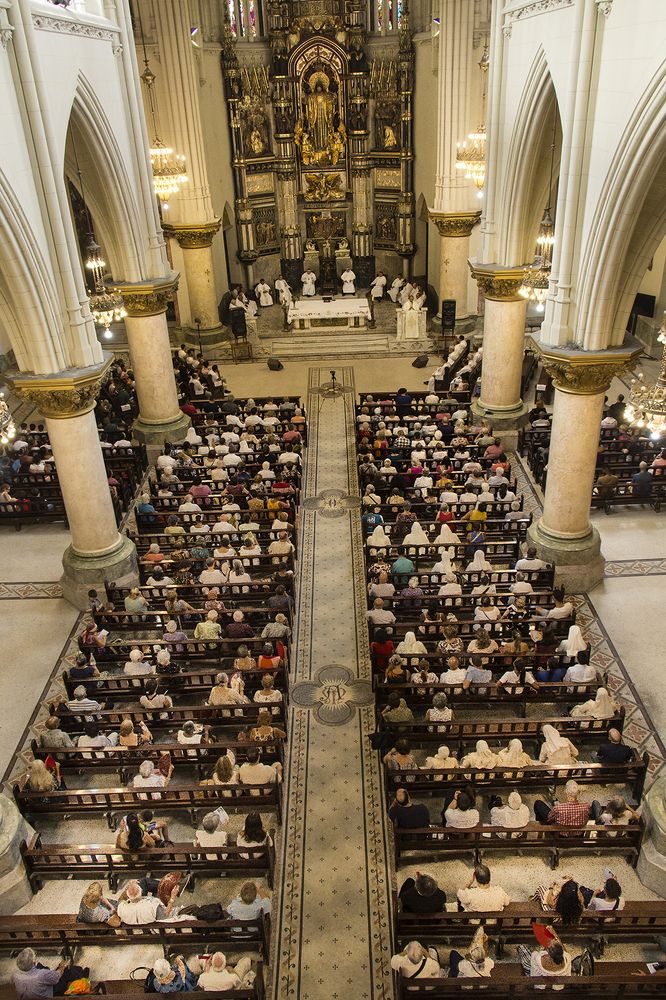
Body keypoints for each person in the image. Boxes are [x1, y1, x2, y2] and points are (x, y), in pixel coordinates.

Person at [11, 948, 89, 999]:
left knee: (42, 968)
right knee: (66, 971)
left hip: (29, 995)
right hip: (50, 993)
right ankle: (82, 973)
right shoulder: (41, 974)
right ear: (32, 962)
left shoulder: (14, 975)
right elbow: (57, 975)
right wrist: (62, 966)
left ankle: (80, 971)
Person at [534, 779, 598, 826]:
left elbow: (549, 819)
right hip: (578, 835)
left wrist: (557, 809)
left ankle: (540, 824)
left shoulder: (558, 808)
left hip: (560, 835)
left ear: (566, 792)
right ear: (578, 793)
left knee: (538, 803)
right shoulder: (586, 806)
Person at [117, 879, 181, 924]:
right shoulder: (153, 907)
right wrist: (172, 898)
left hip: (138, 916)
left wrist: (129, 886)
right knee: (162, 889)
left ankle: (171, 887)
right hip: (149, 914)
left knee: (142, 881)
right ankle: (173, 888)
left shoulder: (121, 907)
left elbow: (121, 899)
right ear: (141, 892)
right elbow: (166, 914)